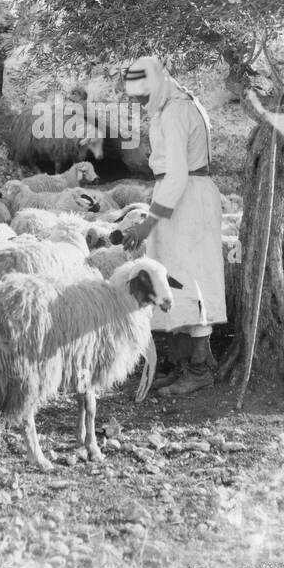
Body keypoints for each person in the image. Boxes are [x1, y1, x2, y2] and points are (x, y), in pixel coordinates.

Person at [119, 56, 226, 396]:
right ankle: (187, 364)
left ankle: (198, 369)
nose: (137, 102)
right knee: (176, 278)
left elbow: (178, 174)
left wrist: (147, 225)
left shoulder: (177, 112)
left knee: (190, 278)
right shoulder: (178, 104)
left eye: (140, 95)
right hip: (183, 197)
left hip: (185, 199)